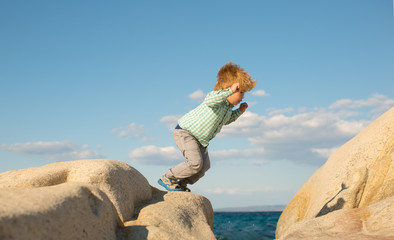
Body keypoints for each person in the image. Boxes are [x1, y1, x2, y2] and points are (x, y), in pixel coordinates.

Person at [158, 61, 256, 191]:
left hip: (201, 141)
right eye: (241, 92)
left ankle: (180, 182)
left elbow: (227, 120)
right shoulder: (216, 99)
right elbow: (210, 100)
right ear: (229, 88)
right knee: (196, 163)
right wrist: (229, 91)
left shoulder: (227, 109)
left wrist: (239, 111)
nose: (243, 97)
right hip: (186, 132)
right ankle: (168, 177)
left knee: (204, 166)